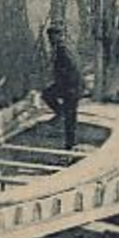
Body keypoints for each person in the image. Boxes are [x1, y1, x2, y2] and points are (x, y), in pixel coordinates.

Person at [42, 23, 82, 151]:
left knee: (70, 118)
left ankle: (70, 146)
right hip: (69, 86)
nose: (50, 41)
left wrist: (63, 87)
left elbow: (71, 71)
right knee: (48, 95)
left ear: (59, 36)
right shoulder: (64, 48)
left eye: (52, 38)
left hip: (70, 87)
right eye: (49, 38)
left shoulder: (62, 50)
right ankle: (61, 113)